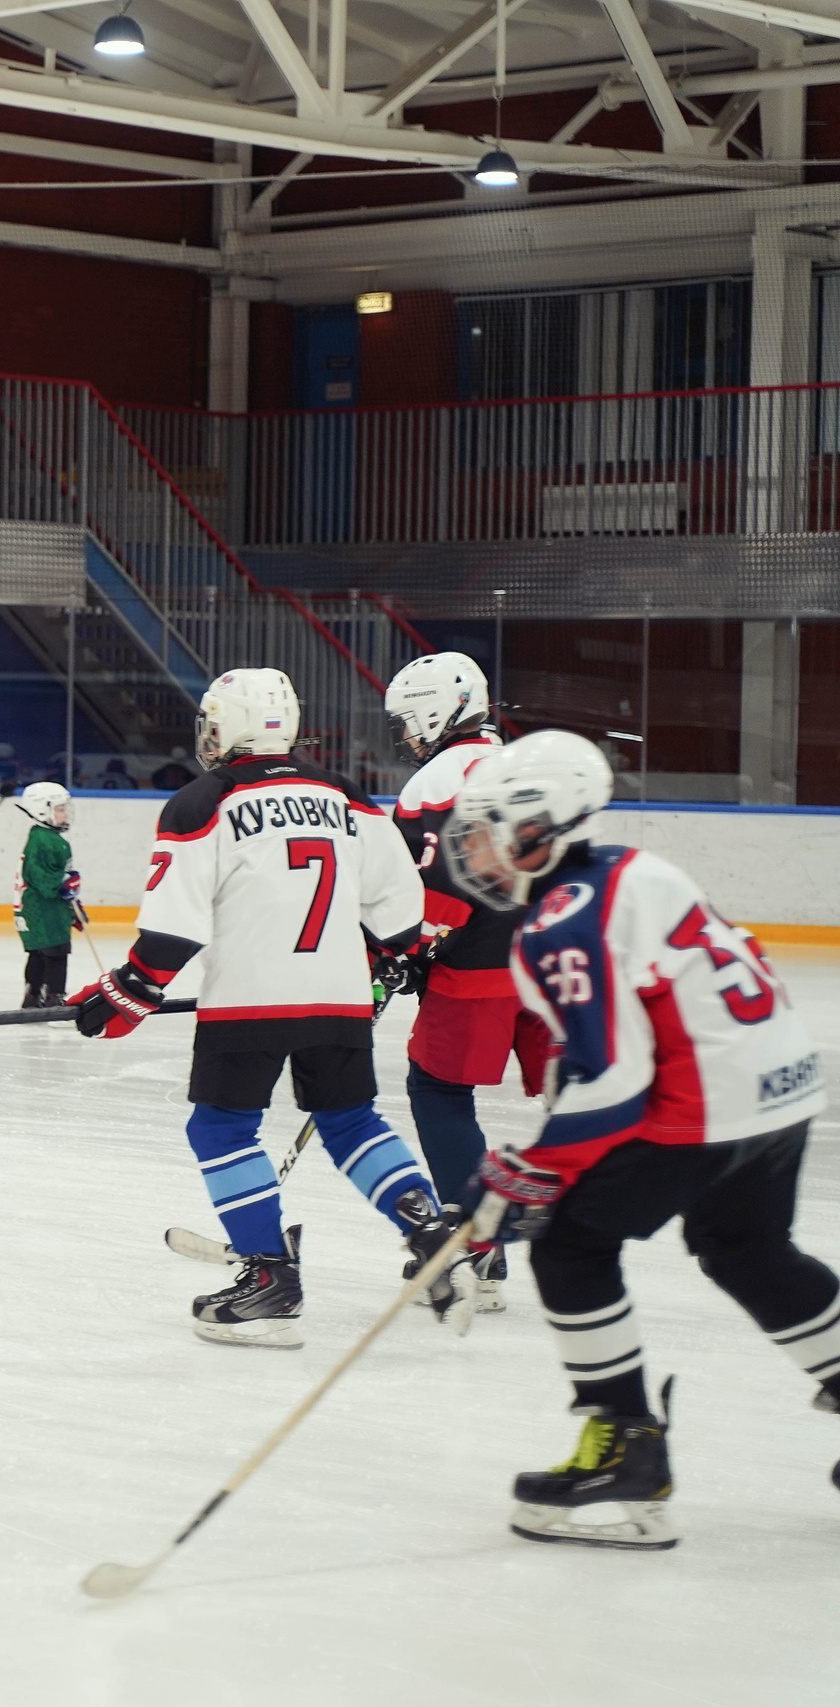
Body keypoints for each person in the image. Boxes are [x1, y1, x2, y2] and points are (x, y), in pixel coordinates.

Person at [446, 728, 839, 1549]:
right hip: (782, 1079)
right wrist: (545, 1155)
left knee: (567, 1247)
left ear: (534, 828)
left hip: (709, 1100)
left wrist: (527, 1172)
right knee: (746, 1245)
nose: (470, 846)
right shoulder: (631, 867)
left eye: (483, 827)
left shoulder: (558, 920)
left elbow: (617, 1082)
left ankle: (627, 1447)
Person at [73, 667, 470, 1347]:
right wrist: (390, 958)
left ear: (224, 725)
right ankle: (432, 1232)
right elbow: (402, 911)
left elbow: (174, 928)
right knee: (351, 1123)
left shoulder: (203, 801)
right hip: (339, 994)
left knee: (221, 1131)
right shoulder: (344, 793)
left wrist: (128, 991)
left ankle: (269, 1281)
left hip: (248, 1002)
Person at [384, 650, 551, 1313]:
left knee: (439, 1090)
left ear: (432, 709)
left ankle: (479, 1237)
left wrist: (404, 951)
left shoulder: (432, 783)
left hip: (477, 973)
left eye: (407, 720)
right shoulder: (529, 766)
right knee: (571, 1098)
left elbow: (435, 886)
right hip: (554, 966)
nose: (404, 734)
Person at [12, 782, 79, 1009]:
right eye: (60, 809)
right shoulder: (45, 840)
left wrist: (73, 907)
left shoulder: (45, 837)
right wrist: (63, 884)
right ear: (42, 810)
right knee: (56, 951)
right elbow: (38, 876)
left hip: (41, 906)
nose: (65, 813)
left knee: (40, 952)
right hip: (43, 908)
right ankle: (54, 997)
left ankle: (33, 995)